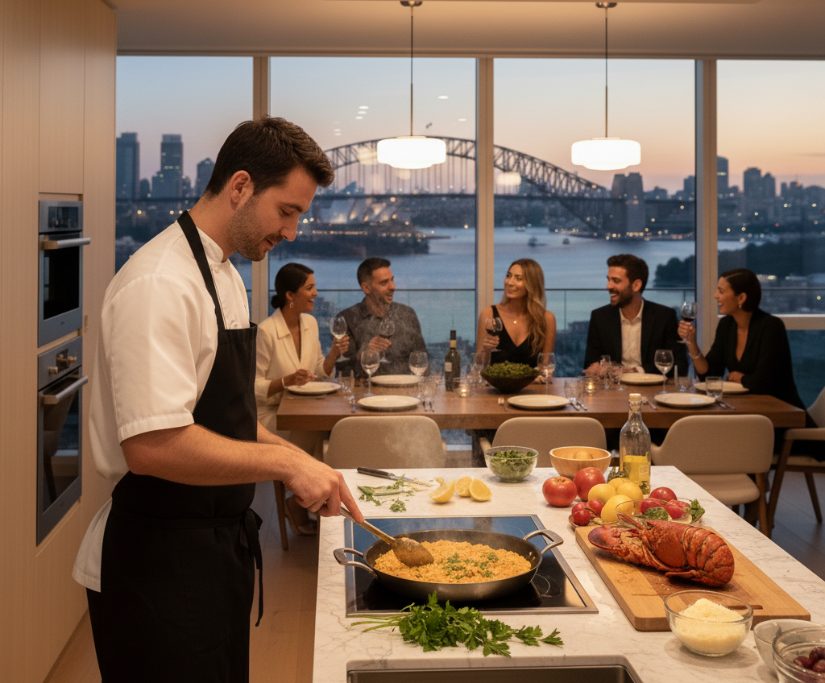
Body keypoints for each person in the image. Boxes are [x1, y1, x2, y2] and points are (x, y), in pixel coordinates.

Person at [72, 117, 364, 683]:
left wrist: (304, 463)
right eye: (288, 211)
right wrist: (285, 463)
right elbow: (154, 446)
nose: (294, 232)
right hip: (156, 561)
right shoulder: (159, 283)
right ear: (240, 187)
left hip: (214, 549)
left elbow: (225, 420)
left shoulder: (225, 273)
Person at [255, 262, 349, 534]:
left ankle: (308, 504)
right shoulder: (267, 331)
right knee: (320, 437)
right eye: (309, 288)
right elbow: (252, 386)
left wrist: (333, 353)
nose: (316, 293)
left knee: (325, 434)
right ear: (289, 295)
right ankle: (307, 504)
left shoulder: (308, 323)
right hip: (273, 416)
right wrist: (285, 381)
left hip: (302, 409)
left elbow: (318, 370)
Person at [679, 267, 805, 410]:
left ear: (741, 298)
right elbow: (709, 374)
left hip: (782, 412)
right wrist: (691, 343)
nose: (715, 296)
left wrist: (741, 378)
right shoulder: (726, 325)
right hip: (747, 409)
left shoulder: (771, 327)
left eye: (721, 291)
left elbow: (765, 382)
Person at [584, 253, 687, 376]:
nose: (608, 286)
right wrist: (597, 369)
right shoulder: (600, 317)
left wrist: (635, 372)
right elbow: (590, 364)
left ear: (636, 285)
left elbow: (679, 365)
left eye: (616, 281)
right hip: (614, 390)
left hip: (651, 390)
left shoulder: (664, 317)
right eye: (608, 279)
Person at [339, 257, 426, 377]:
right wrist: (366, 354)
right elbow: (345, 373)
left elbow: (422, 361)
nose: (393, 287)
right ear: (366, 288)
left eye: (392, 280)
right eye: (384, 283)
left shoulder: (408, 314)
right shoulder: (348, 319)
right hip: (368, 393)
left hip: (406, 392)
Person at [476, 258, 556, 368]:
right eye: (508, 276)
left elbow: (546, 365)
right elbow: (479, 365)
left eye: (518, 278)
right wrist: (486, 350)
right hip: (497, 385)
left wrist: (538, 376)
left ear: (532, 285)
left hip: (534, 385)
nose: (509, 282)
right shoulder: (489, 314)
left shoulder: (547, 319)